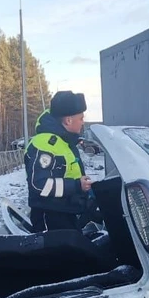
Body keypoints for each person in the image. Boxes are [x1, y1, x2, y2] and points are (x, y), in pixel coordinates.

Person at [25, 91, 93, 232]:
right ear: (68, 120)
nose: (83, 122)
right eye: (80, 118)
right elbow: (39, 185)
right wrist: (76, 185)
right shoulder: (46, 144)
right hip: (50, 217)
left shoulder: (64, 141)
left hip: (65, 212)